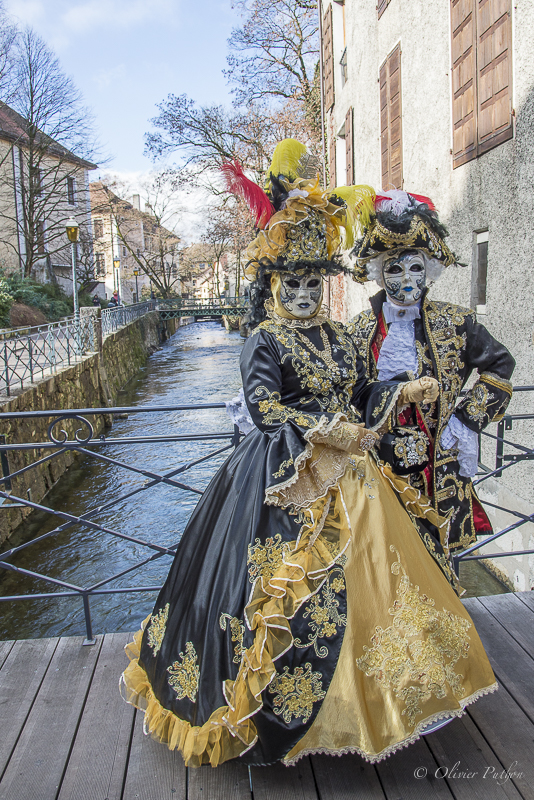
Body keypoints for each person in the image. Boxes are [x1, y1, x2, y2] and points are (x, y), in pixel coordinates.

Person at [120, 142, 497, 768]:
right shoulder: (263, 340)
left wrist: (396, 389)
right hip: (284, 477)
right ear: (272, 285)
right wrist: (327, 429)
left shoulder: (336, 336)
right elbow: (265, 409)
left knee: (381, 580)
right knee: (278, 600)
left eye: (312, 282)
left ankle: (384, 695)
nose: (302, 293)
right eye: (291, 282)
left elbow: (358, 390)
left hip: (355, 474)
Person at [348, 190, 515, 552]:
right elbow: (344, 389)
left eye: (415, 267)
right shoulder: (357, 330)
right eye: (394, 268)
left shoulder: (456, 323)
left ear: (429, 270)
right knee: (384, 555)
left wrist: (467, 420)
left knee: (439, 555)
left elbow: (500, 367)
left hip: (439, 462)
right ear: (380, 274)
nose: (407, 279)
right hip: (378, 464)